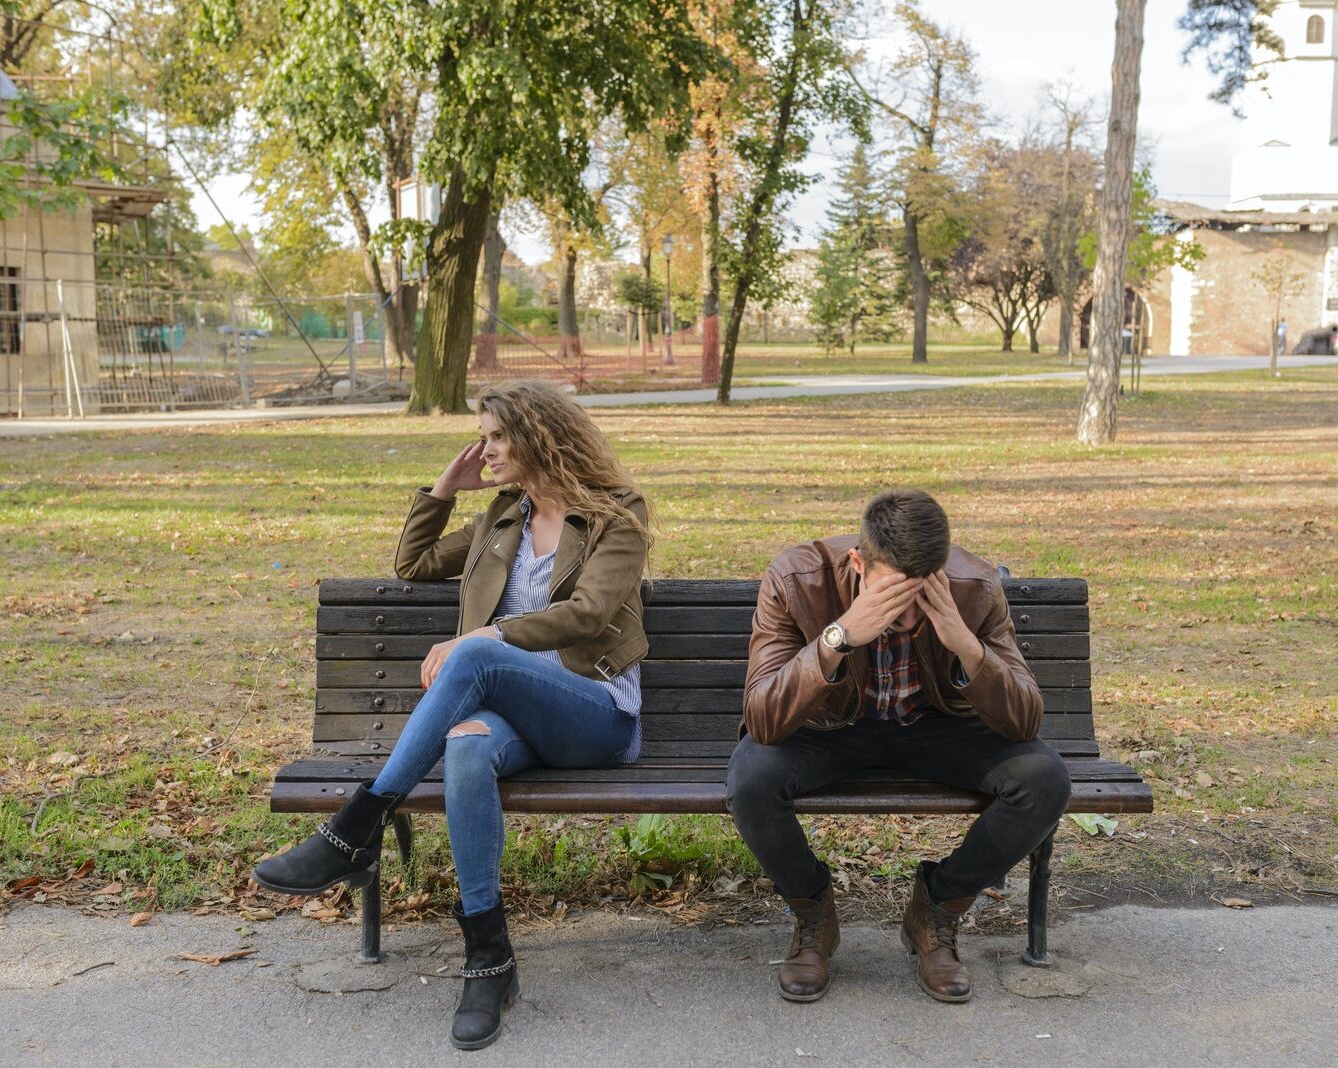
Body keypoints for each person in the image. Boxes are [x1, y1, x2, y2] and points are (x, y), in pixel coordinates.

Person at [253, 380, 652, 1050]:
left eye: (497, 436)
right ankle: (489, 960)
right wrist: (443, 489)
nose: (485, 449)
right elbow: (411, 563)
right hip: (509, 714)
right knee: (466, 746)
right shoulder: (501, 518)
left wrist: (483, 638)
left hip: (594, 712)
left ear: (536, 436)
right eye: (485, 437)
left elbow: (588, 614)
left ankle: (357, 826)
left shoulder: (617, 512)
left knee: (475, 656)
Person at [725, 490, 1069, 1005]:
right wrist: (838, 639)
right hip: (830, 729)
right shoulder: (797, 578)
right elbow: (764, 720)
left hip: (934, 727)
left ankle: (938, 908)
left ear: (941, 572)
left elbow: (1024, 721)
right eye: (890, 596)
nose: (904, 616)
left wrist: (963, 642)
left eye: (920, 597)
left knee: (1044, 780)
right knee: (750, 778)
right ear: (859, 563)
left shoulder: (973, 586)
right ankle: (813, 913)